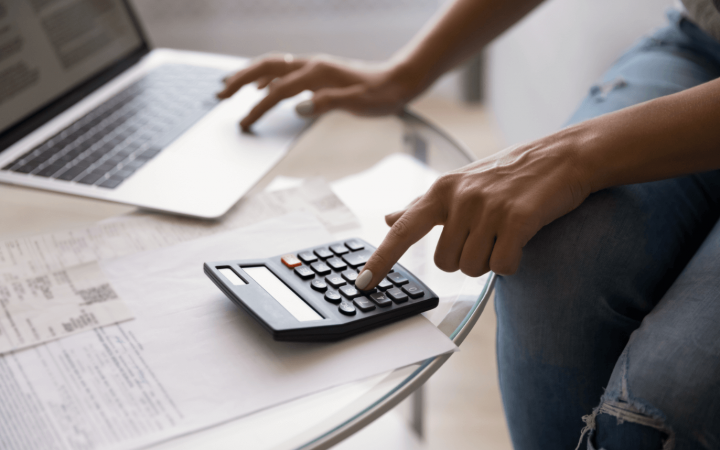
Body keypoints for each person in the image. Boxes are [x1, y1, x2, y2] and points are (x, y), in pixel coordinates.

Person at [217, 1, 720, 448]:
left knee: (666, 401)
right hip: (704, 46)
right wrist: (404, 73)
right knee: (547, 248)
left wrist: (571, 157)